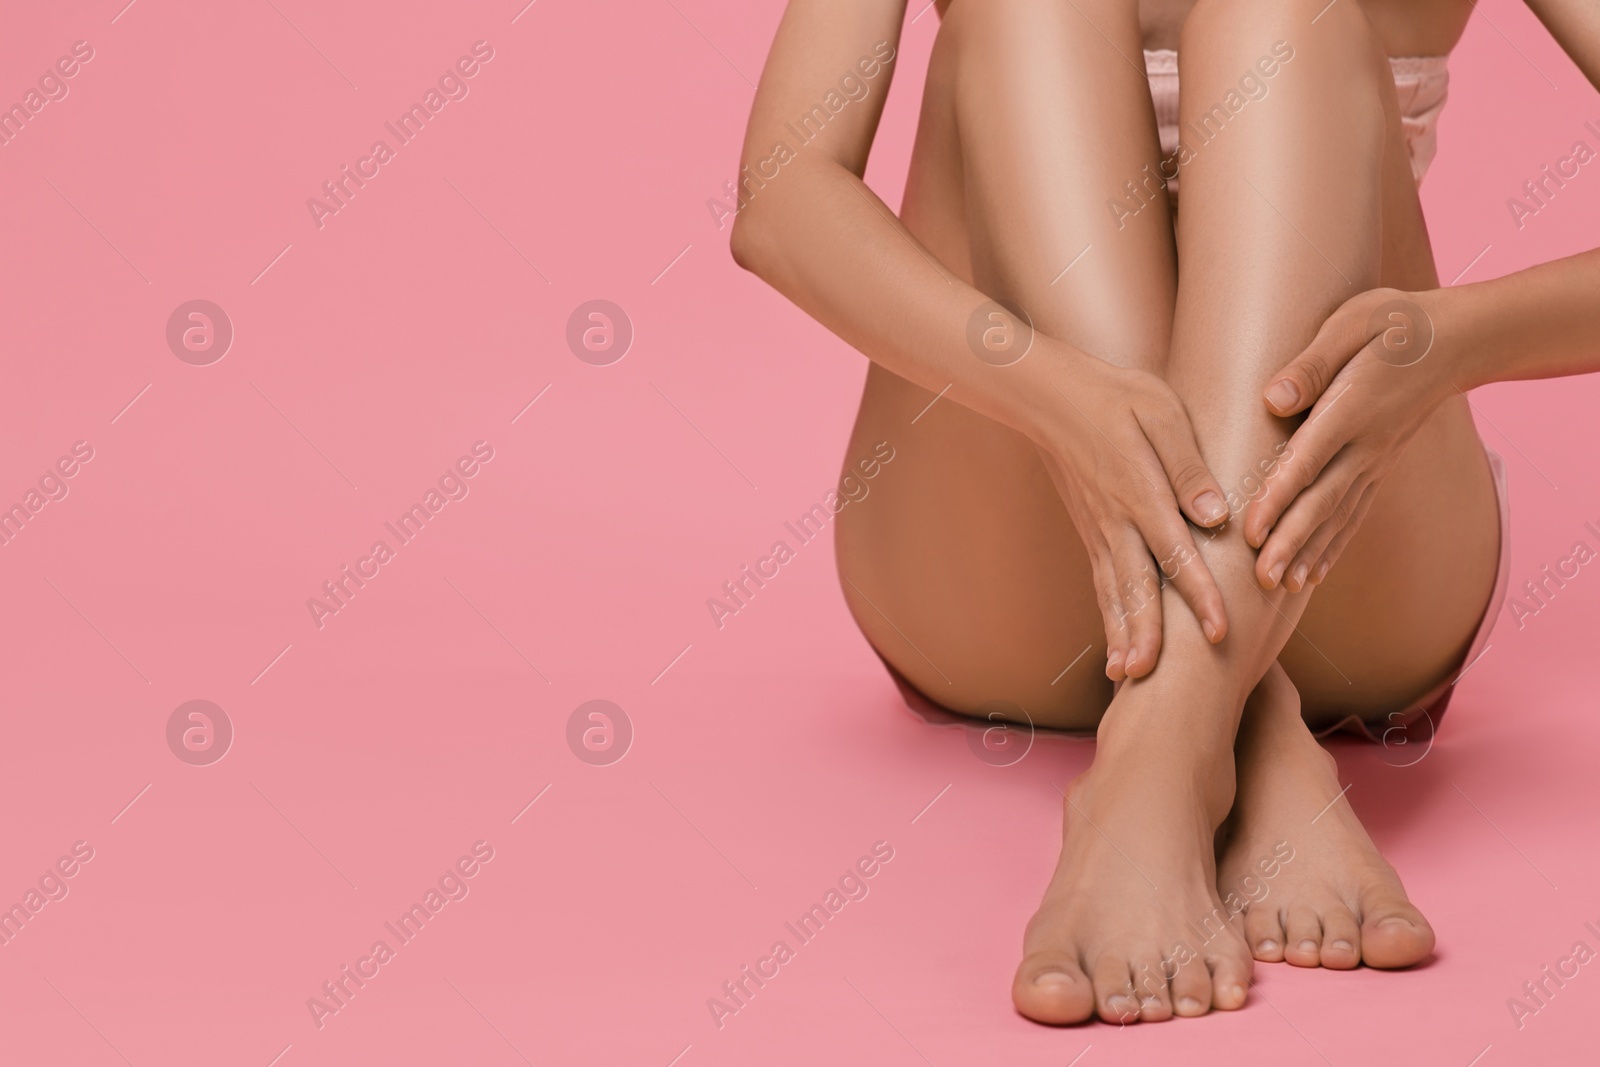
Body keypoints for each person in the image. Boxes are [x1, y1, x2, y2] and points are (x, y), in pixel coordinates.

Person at [731, 0, 1598, 1025]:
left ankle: (1151, 765)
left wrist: (1456, 342)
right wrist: (1053, 397)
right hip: (1005, 557)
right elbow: (782, 199)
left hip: (1336, 541)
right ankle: (1242, 724)